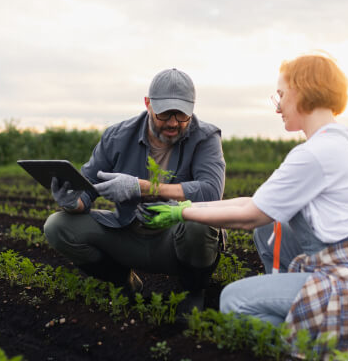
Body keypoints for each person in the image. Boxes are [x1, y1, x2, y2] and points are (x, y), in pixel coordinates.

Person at [137, 54, 348, 360]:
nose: (277, 106)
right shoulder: (339, 143)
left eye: (281, 94)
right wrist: (186, 206)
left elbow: (251, 216)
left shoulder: (317, 153)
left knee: (234, 301)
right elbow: (257, 204)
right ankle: (310, 348)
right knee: (273, 224)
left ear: (303, 91)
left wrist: (180, 212)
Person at [44, 68, 226, 312]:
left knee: (200, 223)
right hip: (129, 232)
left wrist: (141, 188)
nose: (173, 123)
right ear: (148, 104)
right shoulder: (117, 136)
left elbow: (211, 191)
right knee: (58, 226)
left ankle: (192, 291)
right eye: (164, 114)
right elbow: (87, 186)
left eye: (181, 115)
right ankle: (124, 281)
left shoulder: (205, 137)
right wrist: (73, 201)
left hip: (175, 238)